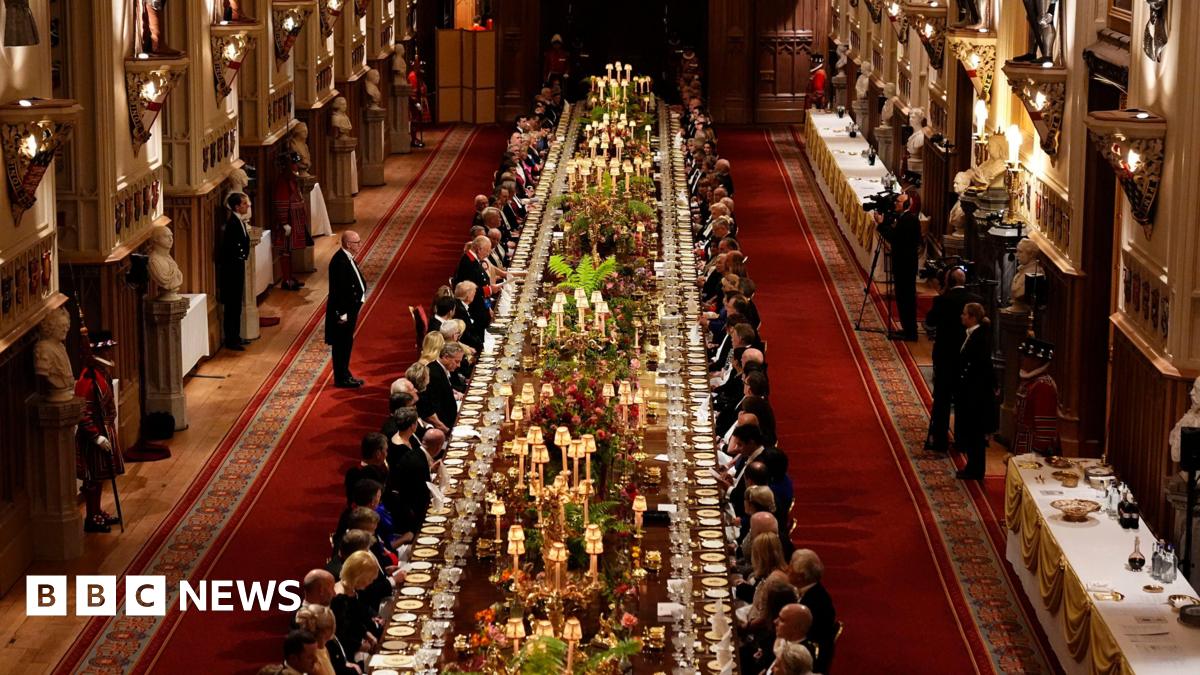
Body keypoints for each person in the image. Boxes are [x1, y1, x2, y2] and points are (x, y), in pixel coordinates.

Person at [923, 267, 981, 451]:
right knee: (964, 401)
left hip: (945, 358)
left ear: (948, 282)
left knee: (942, 400)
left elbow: (930, 322)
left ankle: (939, 440)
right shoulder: (977, 301)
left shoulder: (942, 301)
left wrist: (940, 295)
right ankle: (962, 441)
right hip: (967, 360)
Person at [74, 329, 125, 533]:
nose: (110, 354)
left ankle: (97, 510)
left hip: (105, 430)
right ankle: (91, 516)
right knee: (92, 478)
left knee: (101, 476)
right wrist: (95, 436)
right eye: (106, 351)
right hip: (93, 437)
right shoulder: (87, 380)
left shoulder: (100, 374)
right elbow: (83, 412)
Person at [873, 187, 923, 341]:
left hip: (905, 266)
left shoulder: (909, 220)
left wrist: (881, 225)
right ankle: (907, 329)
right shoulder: (906, 218)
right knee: (903, 299)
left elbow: (895, 238)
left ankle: (910, 332)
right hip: (905, 264)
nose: (895, 203)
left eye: (898, 202)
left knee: (906, 299)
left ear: (906, 205)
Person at [954, 302, 997, 480]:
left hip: (975, 395)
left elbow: (979, 368)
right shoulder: (973, 334)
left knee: (975, 435)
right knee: (972, 433)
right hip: (970, 392)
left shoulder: (979, 338)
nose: (961, 316)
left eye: (964, 314)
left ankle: (975, 470)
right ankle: (972, 466)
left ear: (972, 318)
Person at [326, 231, 366, 388]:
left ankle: (345, 373)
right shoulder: (339, 262)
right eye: (357, 242)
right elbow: (339, 292)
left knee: (346, 343)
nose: (359, 244)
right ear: (348, 244)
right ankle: (341, 377)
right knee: (341, 344)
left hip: (349, 311)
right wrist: (343, 315)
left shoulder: (346, 258)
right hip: (343, 314)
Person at [787, 549, 837, 673]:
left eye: (791, 567)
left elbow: (800, 639)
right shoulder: (810, 591)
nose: (787, 569)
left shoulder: (814, 603)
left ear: (801, 577)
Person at [1013, 337, 1060, 456]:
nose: (1022, 359)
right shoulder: (1030, 382)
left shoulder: (1043, 385)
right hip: (1023, 445)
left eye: (1026, 356)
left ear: (1037, 361)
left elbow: (1045, 427)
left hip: (1033, 452)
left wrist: (1037, 452)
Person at [272, 152, 311, 291]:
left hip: (295, 220)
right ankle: (286, 279)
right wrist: (284, 223)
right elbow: (281, 202)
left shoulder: (291, 179)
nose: (297, 168)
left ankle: (290, 277)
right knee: (285, 251)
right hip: (288, 221)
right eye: (294, 165)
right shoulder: (283, 181)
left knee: (290, 250)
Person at [220, 192, 253, 350]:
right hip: (232, 271)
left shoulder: (238, 221)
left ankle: (236, 336)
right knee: (232, 306)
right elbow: (231, 247)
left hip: (237, 268)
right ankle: (231, 340)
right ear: (237, 207)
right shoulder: (233, 223)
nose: (247, 206)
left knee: (236, 305)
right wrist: (241, 257)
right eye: (244, 204)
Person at [419, 343, 464, 433]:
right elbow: (430, 408)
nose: (459, 365)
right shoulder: (433, 374)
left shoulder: (441, 368)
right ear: (446, 357)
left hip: (451, 421)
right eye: (457, 361)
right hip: (443, 427)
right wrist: (445, 429)